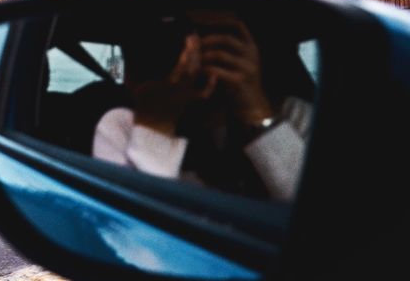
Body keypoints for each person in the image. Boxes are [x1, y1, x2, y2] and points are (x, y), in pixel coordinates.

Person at [92, 13, 312, 201]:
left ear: (253, 50)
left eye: (214, 37)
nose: (190, 51)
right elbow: (134, 227)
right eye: (175, 37)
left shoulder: (294, 114)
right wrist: (155, 123)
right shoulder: (121, 124)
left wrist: (258, 115)